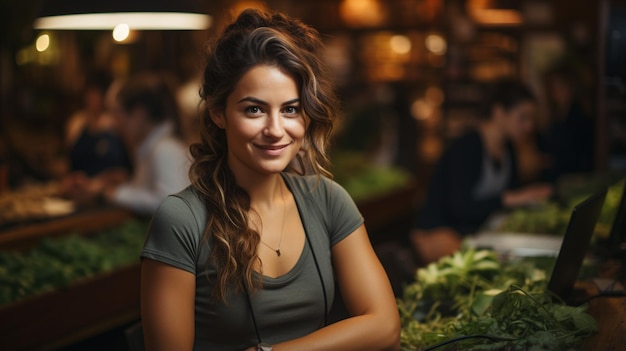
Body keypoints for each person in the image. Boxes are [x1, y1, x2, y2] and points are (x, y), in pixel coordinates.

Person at [140, 9, 400, 351]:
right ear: (219, 112)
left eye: (290, 109)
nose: (276, 130)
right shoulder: (182, 220)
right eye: (254, 109)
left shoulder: (327, 200)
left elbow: (385, 326)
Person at [411, 80, 553, 264]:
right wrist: (512, 198)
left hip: (475, 235)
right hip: (438, 235)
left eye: (531, 119)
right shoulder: (467, 147)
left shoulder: (508, 149)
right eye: (523, 117)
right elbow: (460, 207)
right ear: (499, 112)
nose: (529, 126)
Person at [65, 73, 191, 216]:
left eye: (119, 115)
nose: (116, 123)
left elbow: (172, 203)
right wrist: (102, 186)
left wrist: (111, 194)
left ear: (138, 114)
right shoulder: (153, 147)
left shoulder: (165, 149)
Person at [65, 70, 132, 178]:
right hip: (80, 185)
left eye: (99, 93)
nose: (95, 99)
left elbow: (126, 165)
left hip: (110, 187)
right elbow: (70, 162)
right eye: (91, 93)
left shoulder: (116, 123)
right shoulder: (76, 122)